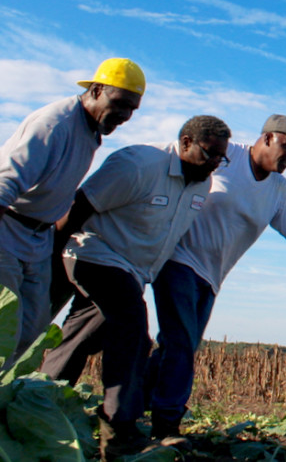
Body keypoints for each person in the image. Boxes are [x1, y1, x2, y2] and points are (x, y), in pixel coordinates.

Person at [41, 115, 231, 461]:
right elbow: (80, 206)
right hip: (94, 253)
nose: (216, 164)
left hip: (132, 271)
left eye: (222, 158)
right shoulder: (138, 165)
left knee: (81, 337)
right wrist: (47, 259)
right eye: (209, 154)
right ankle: (119, 431)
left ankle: (40, 401)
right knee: (133, 332)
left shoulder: (201, 185)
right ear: (185, 142)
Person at [145, 114, 286, 439]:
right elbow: (176, 163)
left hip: (211, 277)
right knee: (182, 344)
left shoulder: (280, 191)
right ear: (267, 138)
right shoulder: (227, 157)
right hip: (177, 260)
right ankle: (166, 423)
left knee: (178, 344)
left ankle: (132, 402)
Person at [0, 58, 144, 360]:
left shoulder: (90, 131)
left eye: (132, 109)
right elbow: (6, 180)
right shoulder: (55, 125)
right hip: (9, 230)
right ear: (96, 89)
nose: (125, 115)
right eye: (119, 103)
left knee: (31, 328)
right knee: (5, 328)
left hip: (38, 238)